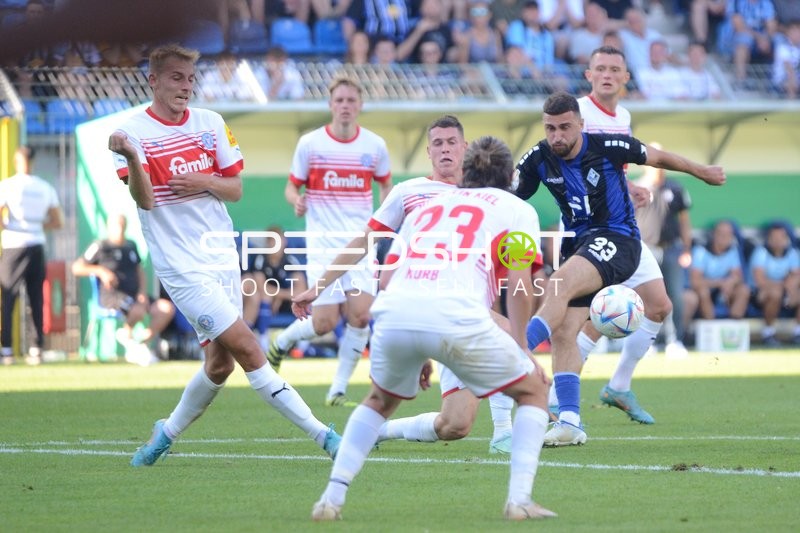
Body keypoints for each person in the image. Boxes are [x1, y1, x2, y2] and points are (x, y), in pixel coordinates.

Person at [107, 43, 341, 466]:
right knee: (250, 349)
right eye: (177, 78)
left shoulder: (210, 123)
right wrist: (131, 157)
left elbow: (234, 188)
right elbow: (145, 201)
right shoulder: (132, 133)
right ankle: (325, 437)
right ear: (153, 80)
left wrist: (202, 179)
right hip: (182, 267)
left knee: (219, 366)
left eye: (191, 78)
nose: (186, 87)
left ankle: (165, 433)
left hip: (221, 257)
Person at [301, 135, 556, 522]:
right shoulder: (516, 207)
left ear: (466, 173)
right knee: (534, 390)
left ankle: (330, 500)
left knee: (378, 402)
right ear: (510, 178)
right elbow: (520, 286)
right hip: (457, 313)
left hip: (397, 310)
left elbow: (387, 278)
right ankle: (519, 500)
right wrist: (522, 348)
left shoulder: (429, 205)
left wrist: (414, 346)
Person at [291, 115, 529, 454]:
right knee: (511, 338)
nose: (445, 149)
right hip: (425, 302)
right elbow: (365, 241)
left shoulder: (490, 196)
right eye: (437, 144)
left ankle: (384, 431)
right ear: (429, 153)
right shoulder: (409, 193)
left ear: (465, 148)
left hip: (467, 306)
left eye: (451, 142)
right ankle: (511, 430)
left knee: (456, 425)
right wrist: (317, 287)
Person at [517, 91, 725, 446]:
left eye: (565, 127)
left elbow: (658, 156)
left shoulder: (609, 145)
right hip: (579, 245)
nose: (557, 136)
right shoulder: (539, 157)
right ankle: (569, 421)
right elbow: (507, 190)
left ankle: (515, 352)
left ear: (580, 124)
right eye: (550, 128)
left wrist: (701, 171)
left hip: (619, 239)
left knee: (559, 284)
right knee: (567, 331)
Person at [266, 75, 392, 407]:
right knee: (323, 323)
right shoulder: (310, 144)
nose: (346, 106)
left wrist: (387, 218)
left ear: (360, 105)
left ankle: (337, 388)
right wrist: (296, 199)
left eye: (351, 100)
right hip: (323, 243)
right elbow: (291, 186)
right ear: (330, 105)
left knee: (361, 316)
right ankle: (282, 342)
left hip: (362, 242)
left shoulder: (375, 146)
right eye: (340, 101)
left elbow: (386, 186)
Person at [71, 213, 176, 365]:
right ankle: (127, 335)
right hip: (111, 296)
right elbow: (76, 268)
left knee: (166, 309)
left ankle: (140, 344)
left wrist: (142, 293)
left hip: (134, 296)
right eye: (116, 225)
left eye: (122, 225)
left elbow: (139, 271)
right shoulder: (100, 246)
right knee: (138, 309)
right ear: (108, 227)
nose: (119, 229)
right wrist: (101, 271)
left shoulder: (130, 246)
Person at [0, 145, 64, 366]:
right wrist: (37, 227)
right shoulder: (44, 187)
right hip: (37, 243)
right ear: (33, 162)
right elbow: (58, 221)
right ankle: (37, 349)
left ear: (17, 160)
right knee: (36, 298)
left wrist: (11, 226)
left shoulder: (7, 185)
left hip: (13, 245)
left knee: (8, 298)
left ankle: (6, 350)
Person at [634, 143, 694, 358]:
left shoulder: (676, 188)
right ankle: (647, 342)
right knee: (646, 298)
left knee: (675, 296)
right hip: (646, 251)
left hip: (672, 249)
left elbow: (685, 222)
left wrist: (687, 249)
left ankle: (674, 341)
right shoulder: (637, 188)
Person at [241, 225, 308, 346]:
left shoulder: (291, 260)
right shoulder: (260, 259)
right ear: (268, 242)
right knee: (264, 296)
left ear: (284, 241)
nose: (276, 244)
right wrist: (279, 295)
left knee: (307, 300)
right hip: (264, 304)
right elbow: (262, 288)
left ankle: (304, 344)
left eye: (279, 240)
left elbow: (301, 291)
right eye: (272, 240)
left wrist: (279, 296)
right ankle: (262, 339)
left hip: (286, 303)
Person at [685, 219, 751, 322]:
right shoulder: (701, 251)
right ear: (714, 234)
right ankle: (712, 326)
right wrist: (719, 283)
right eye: (721, 234)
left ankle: (733, 323)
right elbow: (695, 281)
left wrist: (731, 281)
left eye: (728, 234)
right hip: (705, 291)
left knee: (744, 290)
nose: (725, 237)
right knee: (703, 292)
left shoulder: (732, 250)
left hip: (723, 291)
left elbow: (738, 276)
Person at [748, 221, 800, 346]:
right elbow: (760, 281)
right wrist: (783, 286)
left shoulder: (792, 253)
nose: (777, 241)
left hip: (786, 293)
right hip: (760, 294)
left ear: (786, 239)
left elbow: (796, 275)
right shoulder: (761, 252)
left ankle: (797, 332)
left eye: (781, 237)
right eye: (774, 237)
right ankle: (768, 333)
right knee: (775, 293)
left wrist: (790, 286)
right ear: (769, 239)